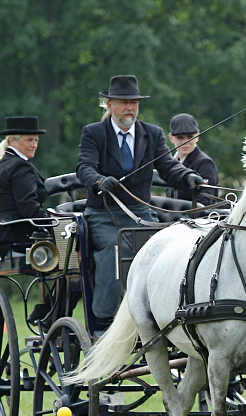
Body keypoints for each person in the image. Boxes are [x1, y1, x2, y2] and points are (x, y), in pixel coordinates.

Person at [76, 74, 205, 323]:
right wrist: (99, 181)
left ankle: (162, 314)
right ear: (109, 104)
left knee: (163, 250)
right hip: (103, 214)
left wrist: (188, 177)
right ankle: (104, 319)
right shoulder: (94, 133)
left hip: (140, 212)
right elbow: (85, 167)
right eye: (124, 102)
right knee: (116, 250)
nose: (130, 108)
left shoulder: (151, 134)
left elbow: (168, 167)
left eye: (134, 102)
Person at [0, 116, 49, 258]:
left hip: (2, 235)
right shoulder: (20, 167)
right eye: (29, 140)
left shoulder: (6, 163)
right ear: (12, 141)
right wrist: (51, 221)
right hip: (19, 237)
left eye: (36, 140)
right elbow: (27, 206)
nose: (34, 145)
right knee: (73, 247)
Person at [164, 113, 218, 206]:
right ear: (171, 138)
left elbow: (205, 202)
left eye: (190, 137)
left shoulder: (204, 163)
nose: (185, 142)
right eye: (180, 137)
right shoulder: (170, 163)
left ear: (197, 136)